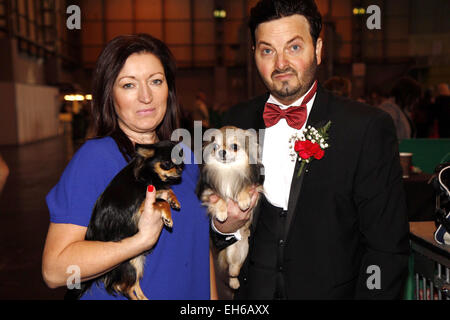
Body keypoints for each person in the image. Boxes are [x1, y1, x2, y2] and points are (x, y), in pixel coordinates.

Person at [210, 0, 410, 299]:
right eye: (267, 50)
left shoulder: (365, 127)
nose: (280, 64)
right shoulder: (234, 123)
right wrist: (224, 227)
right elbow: (216, 228)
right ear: (254, 54)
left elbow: (386, 248)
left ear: (317, 49)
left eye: (293, 47)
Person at [42, 34, 212, 300]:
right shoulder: (94, 159)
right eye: (129, 85)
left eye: (156, 81)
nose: (146, 96)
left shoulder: (187, 159)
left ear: (169, 88)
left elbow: (200, 249)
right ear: (110, 95)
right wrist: (138, 242)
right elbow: (55, 270)